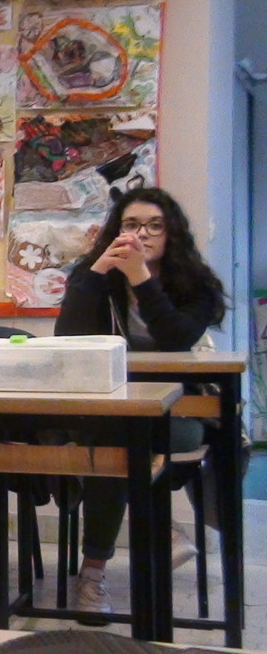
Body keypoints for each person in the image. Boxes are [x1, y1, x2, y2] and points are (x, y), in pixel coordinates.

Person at [55, 187, 226, 621]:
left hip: (177, 413)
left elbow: (176, 338)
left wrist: (142, 280)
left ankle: (92, 574)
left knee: (117, 443)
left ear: (171, 234)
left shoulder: (196, 284)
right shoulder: (98, 275)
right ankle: (157, 531)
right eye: (131, 225)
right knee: (116, 437)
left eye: (154, 226)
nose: (142, 234)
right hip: (110, 410)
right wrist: (97, 270)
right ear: (116, 231)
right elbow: (68, 337)